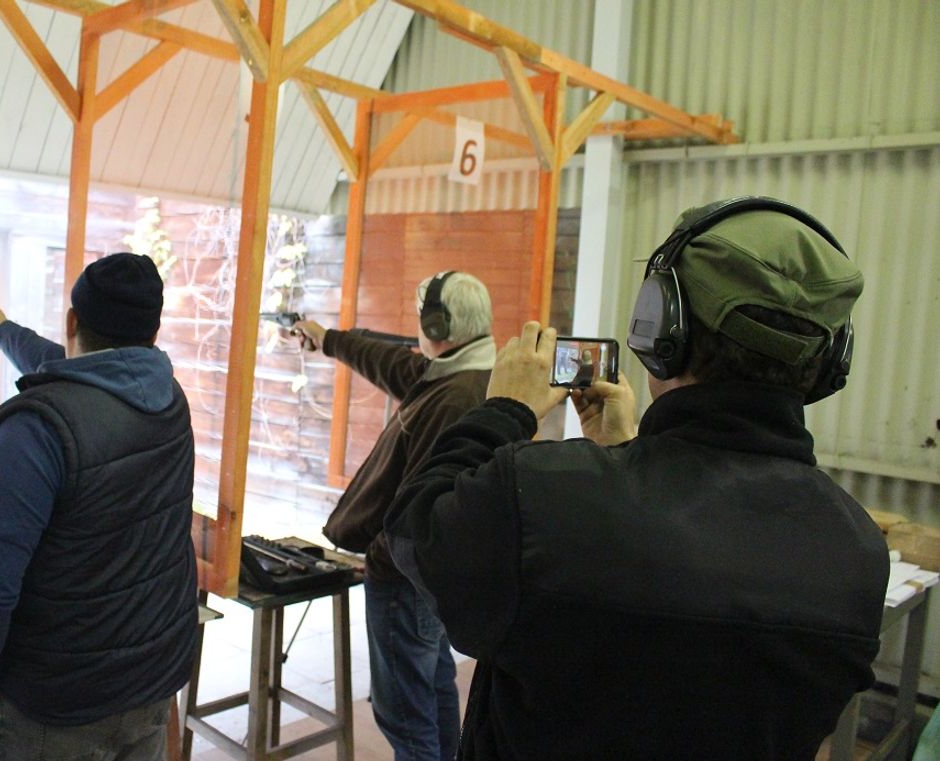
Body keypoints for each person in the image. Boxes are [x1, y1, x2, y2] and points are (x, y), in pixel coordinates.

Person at [383, 199, 890, 760]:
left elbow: (415, 532)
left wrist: (504, 409)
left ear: (660, 327)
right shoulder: (858, 552)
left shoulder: (546, 499)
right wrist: (627, 455)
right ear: (831, 359)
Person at [0, 253, 198, 761]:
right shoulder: (167, 400)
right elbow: (73, 368)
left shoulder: (37, 431)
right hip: (149, 682)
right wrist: (2, 328)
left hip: (56, 704)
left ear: (74, 321)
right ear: (153, 331)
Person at [294, 271, 496, 761]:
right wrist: (328, 339)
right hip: (428, 577)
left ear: (436, 324)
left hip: (404, 579)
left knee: (404, 715)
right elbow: (395, 365)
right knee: (434, 687)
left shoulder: (453, 397)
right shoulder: (464, 372)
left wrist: (381, 558)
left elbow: (420, 506)